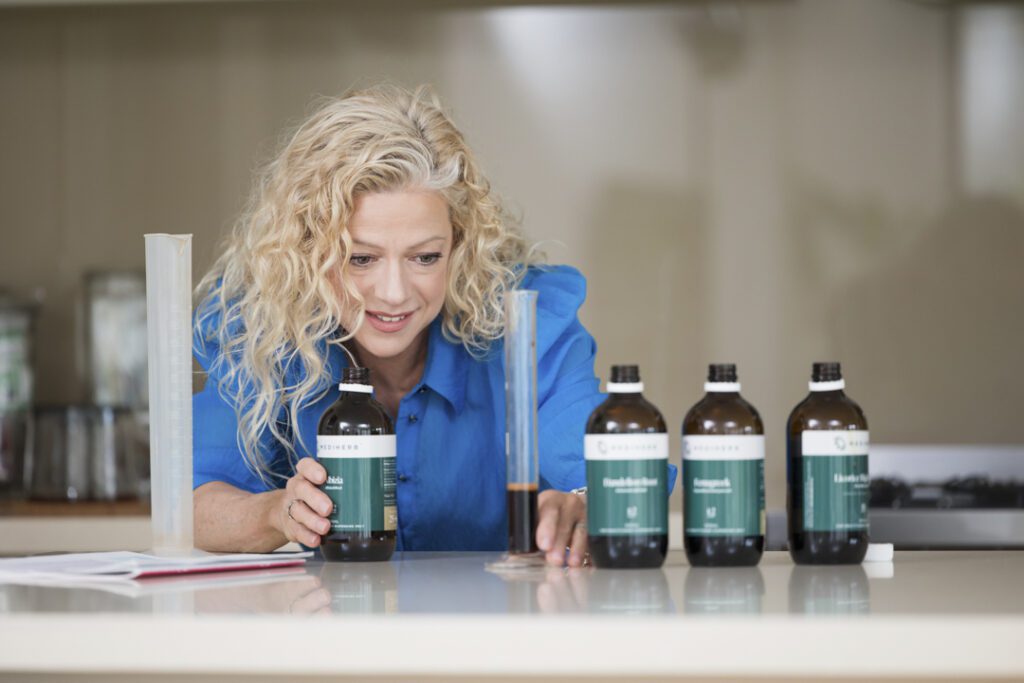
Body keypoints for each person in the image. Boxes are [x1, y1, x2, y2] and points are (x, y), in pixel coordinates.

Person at [192, 84, 602, 566]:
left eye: (425, 257)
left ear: (461, 245)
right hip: (328, 631)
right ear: (308, 252)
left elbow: (600, 468)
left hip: (495, 633)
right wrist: (276, 513)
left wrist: (587, 504)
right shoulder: (260, 329)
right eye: (360, 258)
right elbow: (198, 503)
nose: (393, 292)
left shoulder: (530, 323)